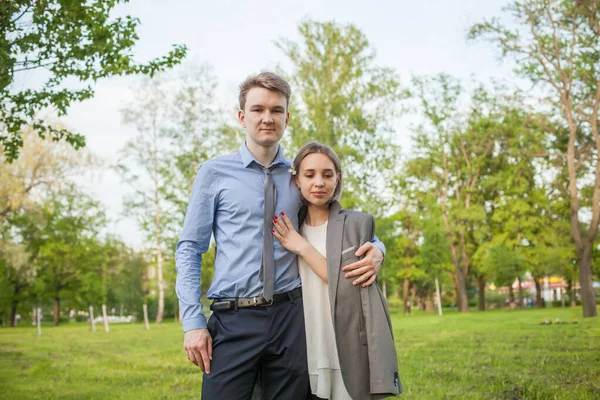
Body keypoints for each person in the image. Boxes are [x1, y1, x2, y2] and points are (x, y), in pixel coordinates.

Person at [175, 72, 386, 399]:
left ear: (287, 118)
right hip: (233, 320)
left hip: (292, 318)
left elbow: (337, 224)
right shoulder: (214, 174)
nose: (267, 118)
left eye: (276, 110)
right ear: (242, 116)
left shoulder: (298, 177)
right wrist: (192, 322)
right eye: (258, 109)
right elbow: (189, 248)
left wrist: (377, 248)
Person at [272, 141, 403, 400]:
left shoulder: (355, 223)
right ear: (296, 179)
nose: (319, 182)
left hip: (344, 343)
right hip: (306, 343)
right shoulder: (290, 226)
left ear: (337, 179)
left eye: (327, 174)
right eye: (310, 175)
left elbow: (345, 281)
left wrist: (302, 247)